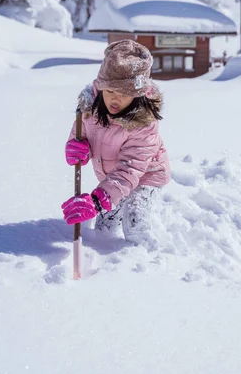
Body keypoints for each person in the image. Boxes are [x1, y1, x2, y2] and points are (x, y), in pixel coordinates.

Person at [61, 39, 171, 245]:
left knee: (134, 223)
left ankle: (145, 259)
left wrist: (96, 201)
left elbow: (129, 170)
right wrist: (78, 148)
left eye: (123, 94)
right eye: (109, 91)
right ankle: (105, 259)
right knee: (105, 226)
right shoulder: (90, 109)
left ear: (138, 94)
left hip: (146, 175)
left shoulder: (144, 124)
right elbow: (81, 132)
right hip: (111, 175)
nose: (114, 99)